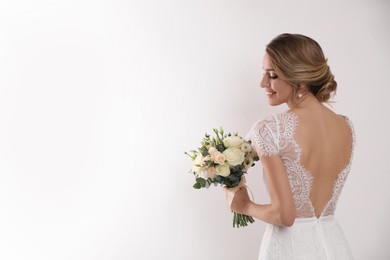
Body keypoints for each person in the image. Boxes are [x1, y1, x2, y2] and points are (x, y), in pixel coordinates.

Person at [227, 33, 355, 259]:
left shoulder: (270, 129)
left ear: (301, 80)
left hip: (290, 249)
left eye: (272, 75)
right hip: (335, 246)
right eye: (264, 73)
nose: (263, 83)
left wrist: (244, 206)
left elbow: (284, 216)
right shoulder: (345, 126)